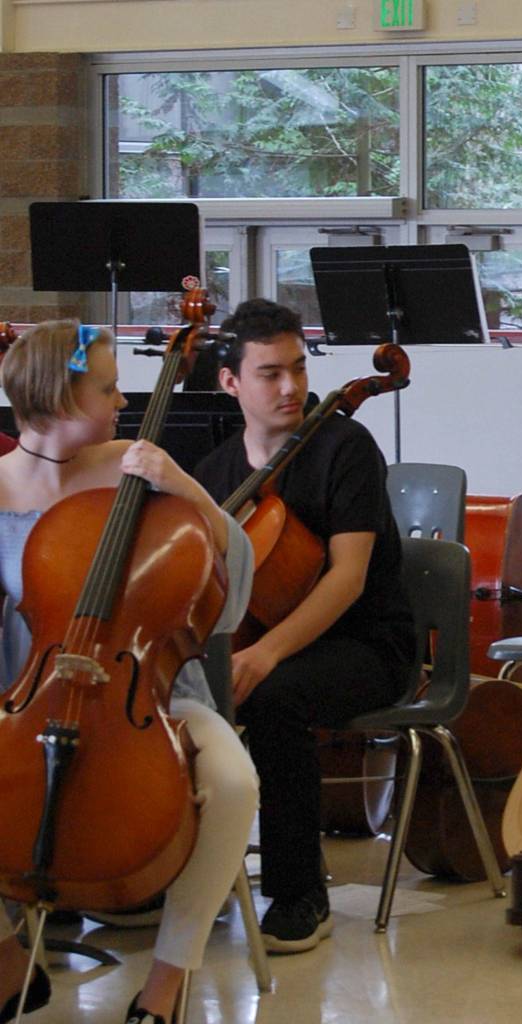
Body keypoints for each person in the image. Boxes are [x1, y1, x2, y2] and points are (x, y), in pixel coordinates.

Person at [0, 321, 258, 1024]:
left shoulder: (137, 468)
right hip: (28, 693)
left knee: (233, 783)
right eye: (107, 389)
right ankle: (6, 957)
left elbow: (231, 597)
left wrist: (189, 491)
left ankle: (165, 989)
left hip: (150, 691)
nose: (123, 402)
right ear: (57, 399)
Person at [194, 299, 415, 954]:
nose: (291, 387)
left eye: (297, 368)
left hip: (370, 644)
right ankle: (163, 874)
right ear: (230, 382)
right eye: (270, 373)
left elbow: (346, 579)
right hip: (271, 640)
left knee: (273, 696)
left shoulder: (345, 448)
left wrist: (263, 655)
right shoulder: (214, 475)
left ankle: (297, 894)